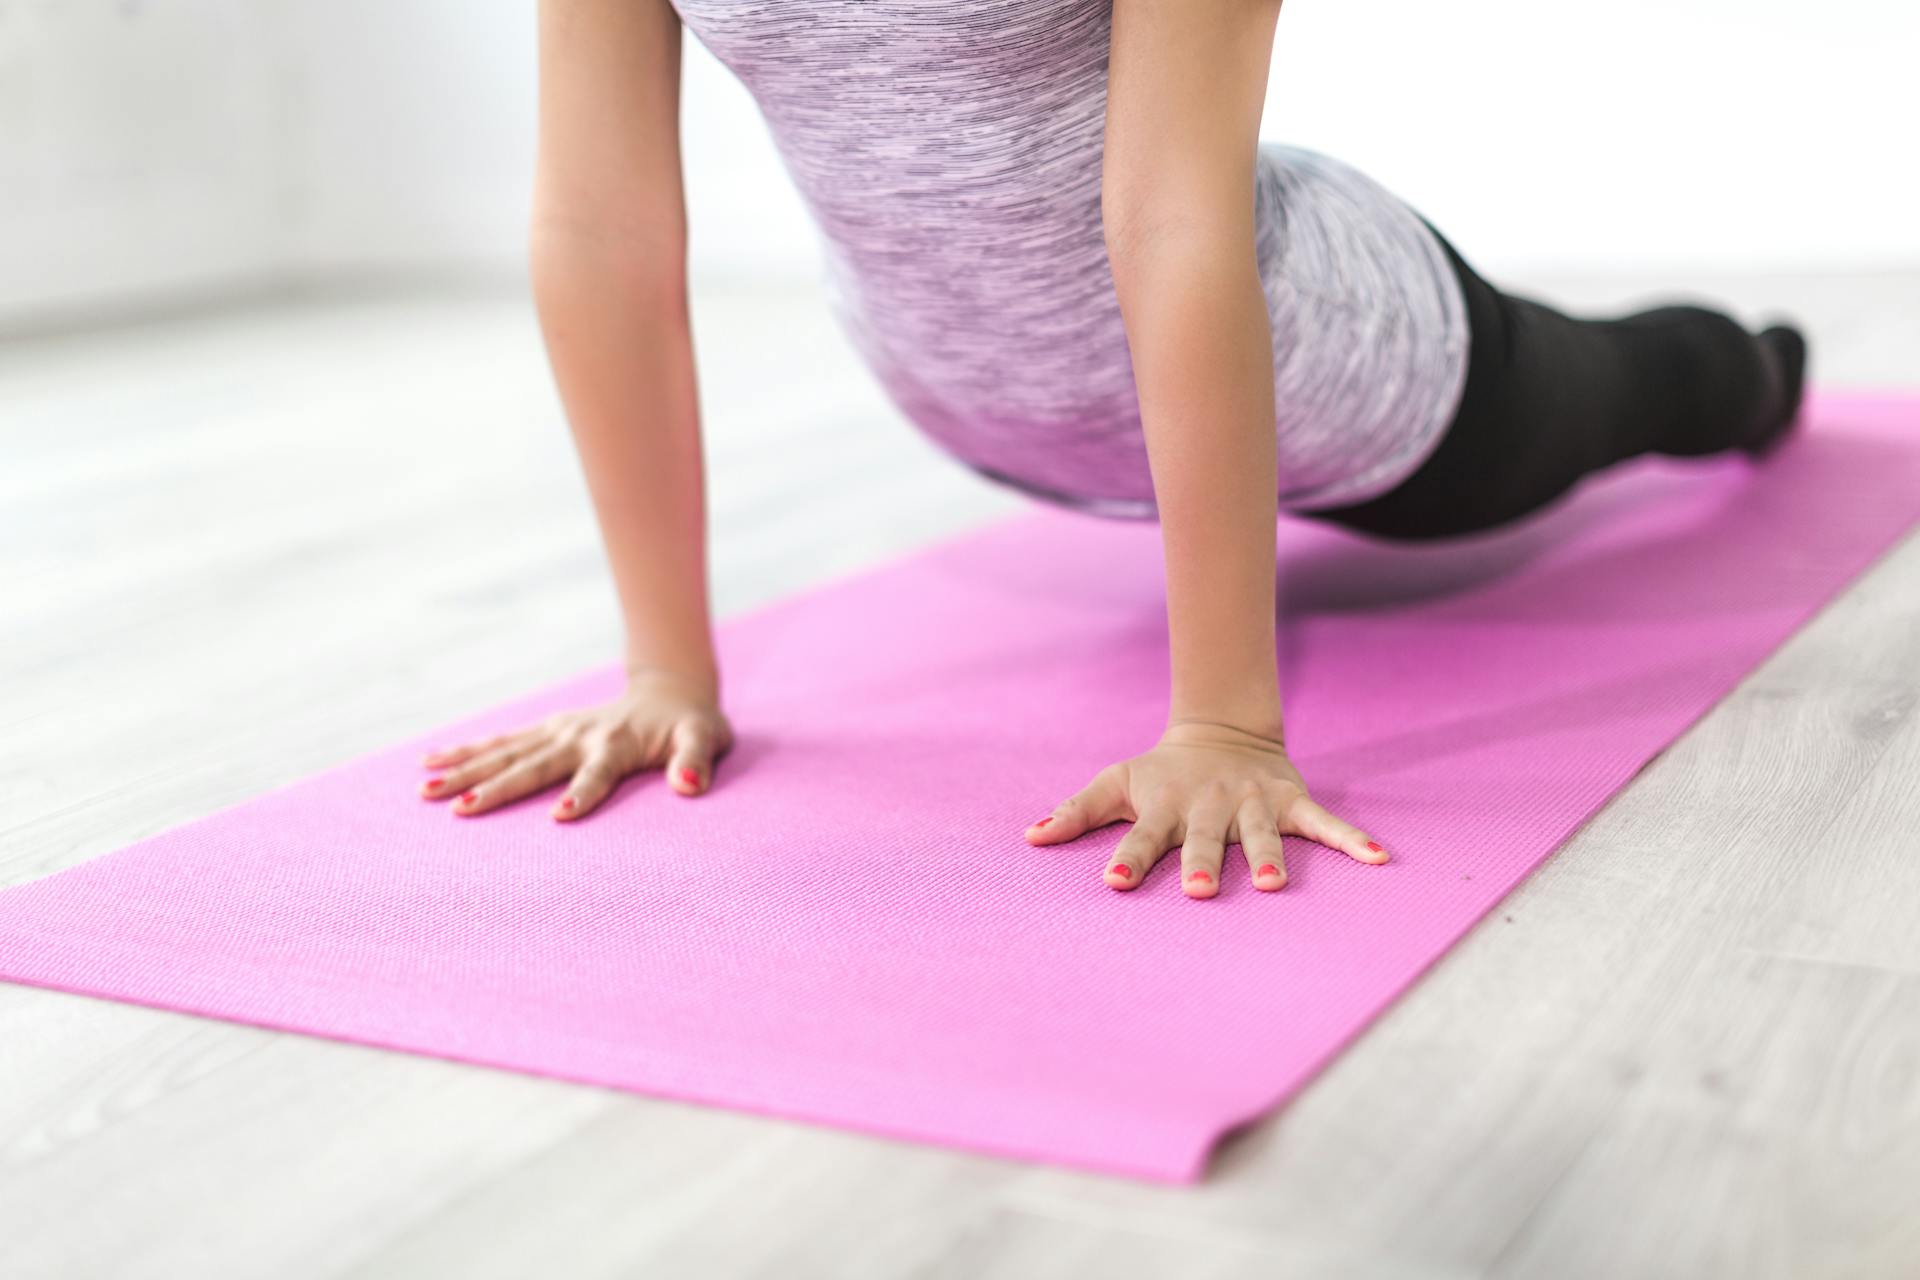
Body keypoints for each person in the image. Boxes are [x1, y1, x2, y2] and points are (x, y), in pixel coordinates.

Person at [416, 0, 1808, 898]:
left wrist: (1222, 727)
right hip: (984, 399)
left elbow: (1175, 220)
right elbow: (603, 231)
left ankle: (1752, 374)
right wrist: (666, 671)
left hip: (1350, 363)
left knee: (1644, 382)